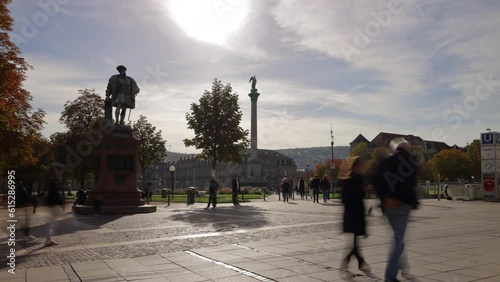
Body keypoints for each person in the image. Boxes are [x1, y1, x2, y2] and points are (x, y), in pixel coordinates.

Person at [373, 137, 419, 282]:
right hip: (402, 204)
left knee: (397, 237)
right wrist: (398, 197)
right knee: (398, 240)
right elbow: (410, 183)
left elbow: (376, 180)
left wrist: (385, 198)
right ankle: (390, 276)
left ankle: (402, 266)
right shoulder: (410, 160)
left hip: (388, 205)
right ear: (407, 149)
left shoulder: (385, 160)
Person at [338, 156, 371, 275]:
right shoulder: (356, 178)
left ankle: (360, 262)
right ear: (357, 166)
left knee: (355, 241)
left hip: (350, 213)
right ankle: (347, 263)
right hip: (356, 213)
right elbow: (356, 196)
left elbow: (344, 198)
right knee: (355, 242)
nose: (364, 166)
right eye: (362, 164)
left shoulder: (347, 178)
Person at [45, 181, 64, 247]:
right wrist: (61, 203)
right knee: (52, 224)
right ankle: (49, 240)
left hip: (52, 208)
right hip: (55, 208)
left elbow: (48, 201)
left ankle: (48, 239)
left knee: (51, 224)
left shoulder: (50, 191)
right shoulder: (55, 191)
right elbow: (59, 199)